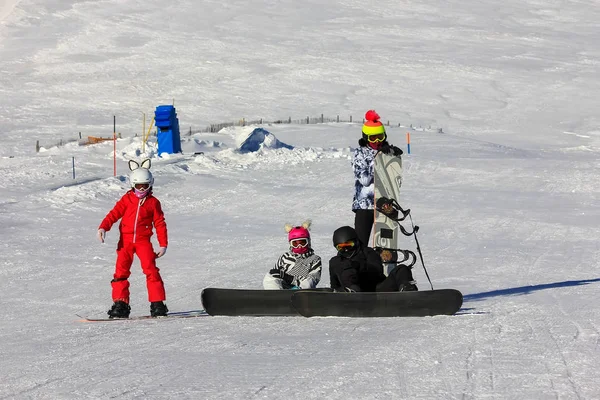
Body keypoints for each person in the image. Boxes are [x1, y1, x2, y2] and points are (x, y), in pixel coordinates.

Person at [97, 160, 169, 318]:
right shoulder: (126, 199)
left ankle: (157, 304)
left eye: (145, 185)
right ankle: (121, 304)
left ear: (150, 184)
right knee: (120, 272)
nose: (141, 189)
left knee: (151, 270)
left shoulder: (153, 203)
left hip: (143, 242)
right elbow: (114, 213)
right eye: (138, 186)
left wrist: (163, 244)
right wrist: (103, 227)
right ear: (132, 185)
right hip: (125, 242)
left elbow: (159, 223)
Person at [352, 109, 403, 246]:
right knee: (361, 245)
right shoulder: (359, 153)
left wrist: (392, 156)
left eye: (380, 137)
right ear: (365, 137)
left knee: (386, 245)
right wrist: (378, 159)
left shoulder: (385, 152)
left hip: (385, 205)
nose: (377, 141)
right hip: (365, 206)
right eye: (373, 138)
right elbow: (365, 180)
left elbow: (394, 177)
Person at [329, 226, 417, 292]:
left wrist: (358, 266)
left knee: (401, 269)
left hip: (376, 291)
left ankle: (407, 291)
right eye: (341, 247)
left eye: (349, 245)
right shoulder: (335, 262)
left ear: (356, 242)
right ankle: (352, 293)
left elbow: (377, 272)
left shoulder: (368, 252)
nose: (346, 249)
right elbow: (334, 286)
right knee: (347, 269)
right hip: (352, 292)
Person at [263, 220, 322, 290]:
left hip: (301, 289)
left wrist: (290, 278)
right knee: (269, 276)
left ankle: (296, 293)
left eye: (303, 242)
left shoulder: (314, 259)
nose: (299, 246)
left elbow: (314, 278)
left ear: (308, 242)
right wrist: (276, 274)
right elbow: (275, 273)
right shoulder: (285, 257)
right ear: (290, 244)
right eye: (295, 243)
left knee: (309, 281)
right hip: (284, 287)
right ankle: (276, 295)